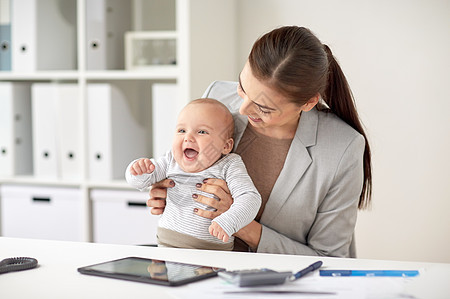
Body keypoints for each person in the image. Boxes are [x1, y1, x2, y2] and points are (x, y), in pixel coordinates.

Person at [147, 26, 372, 258]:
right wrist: (169, 191)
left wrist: (239, 222)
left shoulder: (342, 147)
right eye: (242, 88)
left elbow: (329, 259)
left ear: (308, 103)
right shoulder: (217, 98)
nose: (242, 109)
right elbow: (179, 161)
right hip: (195, 265)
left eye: (263, 108)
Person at [125, 98, 261, 251]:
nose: (188, 137)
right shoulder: (171, 159)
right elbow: (140, 182)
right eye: (182, 130)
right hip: (167, 244)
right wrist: (137, 170)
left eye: (202, 132)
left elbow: (250, 198)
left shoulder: (229, 164)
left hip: (212, 251)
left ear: (226, 146)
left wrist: (228, 221)